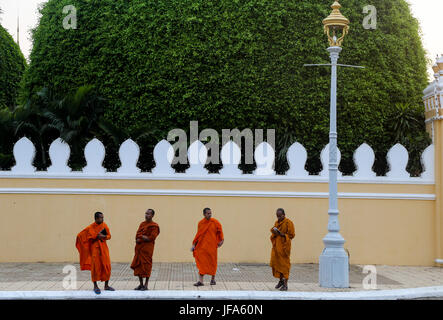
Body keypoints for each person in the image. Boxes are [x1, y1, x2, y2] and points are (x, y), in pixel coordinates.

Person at [76, 211, 115, 294]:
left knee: (107, 266)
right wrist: (95, 236)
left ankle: (106, 285)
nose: (102, 219)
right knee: (95, 268)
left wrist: (103, 236)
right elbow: (80, 235)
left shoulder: (104, 225)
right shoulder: (90, 227)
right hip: (95, 250)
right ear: (96, 218)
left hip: (104, 249)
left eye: (103, 217)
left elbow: (109, 236)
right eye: (101, 217)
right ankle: (95, 286)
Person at [191, 207, 224, 286]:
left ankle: (213, 280)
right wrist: (194, 244)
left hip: (212, 247)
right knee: (201, 263)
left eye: (210, 213)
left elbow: (220, 232)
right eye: (208, 213)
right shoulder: (201, 223)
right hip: (202, 247)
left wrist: (221, 241)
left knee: (212, 263)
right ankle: (201, 281)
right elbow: (198, 235)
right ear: (204, 214)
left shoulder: (215, 222)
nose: (210, 215)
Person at [130, 208, 160, 291]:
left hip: (147, 249)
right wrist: (140, 237)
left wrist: (142, 237)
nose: (146, 215)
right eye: (146, 213)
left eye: (148, 214)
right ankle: (141, 284)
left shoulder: (154, 226)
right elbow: (137, 235)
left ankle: (146, 284)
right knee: (139, 265)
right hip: (139, 249)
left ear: (152, 215)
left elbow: (151, 237)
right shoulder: (142, 224)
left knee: (146, 265)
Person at [270, 208, 295, 291]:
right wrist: (274, 232)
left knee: (284, 266)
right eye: (277, 216)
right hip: (276, 247)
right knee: (277, 264)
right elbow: (273, 234)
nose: (278, 218)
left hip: (284, 248)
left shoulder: (288, 223)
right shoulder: (277, 223)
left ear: (284, 215)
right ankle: (280, 281)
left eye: (280, 216)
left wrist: (282, 234)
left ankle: (285, 285)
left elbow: (291, 235)